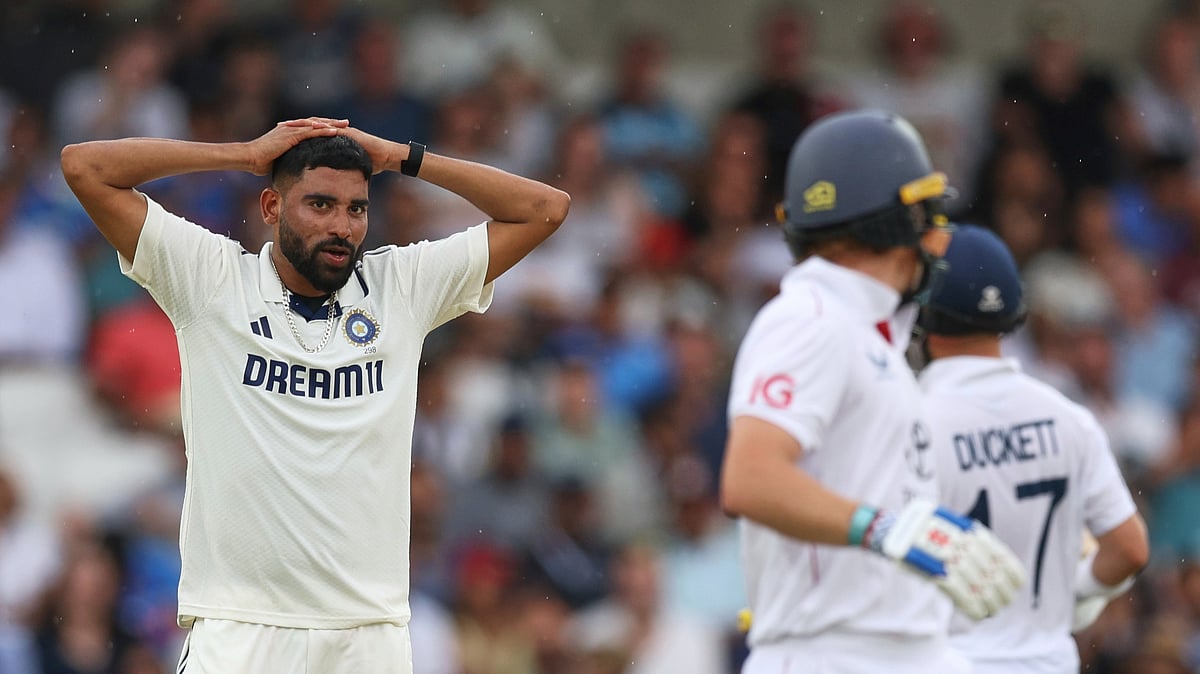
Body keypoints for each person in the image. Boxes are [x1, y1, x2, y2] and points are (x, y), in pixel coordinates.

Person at [60, 117, 570, 673]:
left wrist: (403, 157)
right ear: (272, 208)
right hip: (241, 628)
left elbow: (545, 208)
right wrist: (243, 153)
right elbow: (85, 167)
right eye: (320, 204)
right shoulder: (212, 280)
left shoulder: (402, 287)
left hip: (366, 634)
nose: (343, 226)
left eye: (357, 208)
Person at [719, 109, 1024, 674]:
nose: (941, 235)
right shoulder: (810, 318)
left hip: (896, 651)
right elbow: (750, 477)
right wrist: (881, 528)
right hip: (830, 654)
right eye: (926, 212)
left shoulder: (867, 332)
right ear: (884, 221)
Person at [917, 224, 1149, 673]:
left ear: (923, 315)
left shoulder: (912, 422)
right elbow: (1130, 549)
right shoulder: (1071, 419)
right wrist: (1073, 591)